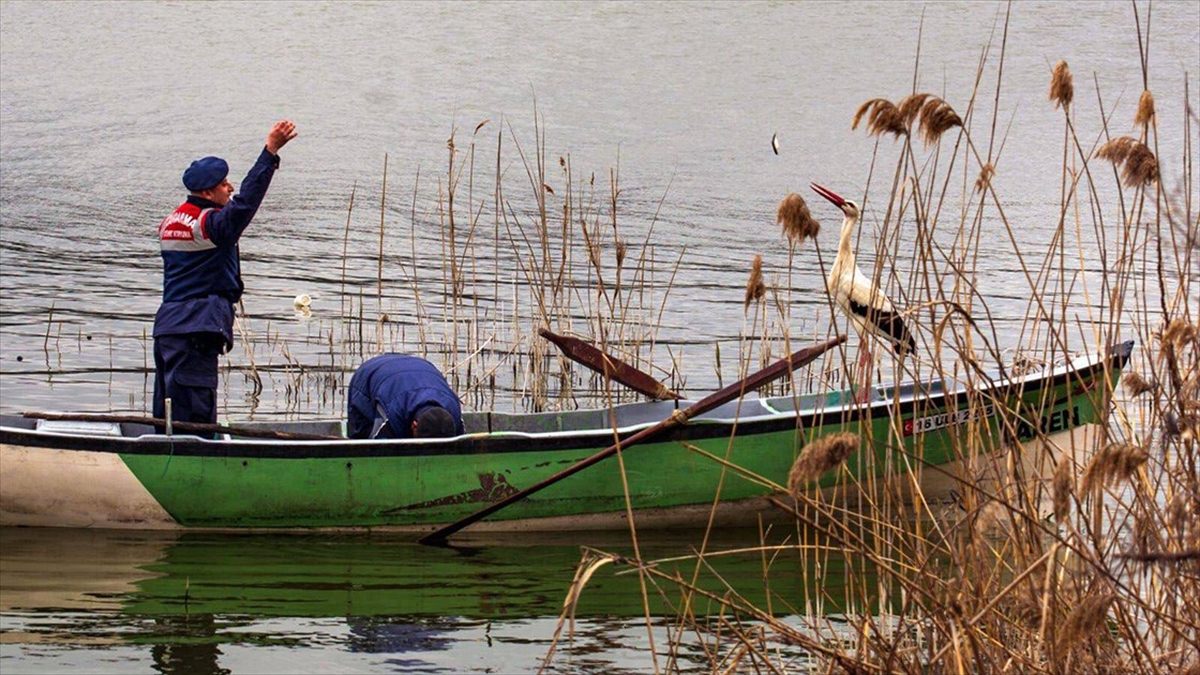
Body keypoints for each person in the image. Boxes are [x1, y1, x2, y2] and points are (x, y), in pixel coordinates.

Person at [152, 120, 298, 425]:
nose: (229, 188)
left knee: (167, 411)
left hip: (167, 328)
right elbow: (246, 202)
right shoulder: (209, 226)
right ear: (206, 191)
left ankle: (163, 460)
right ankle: (197, 464)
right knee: (195, 416)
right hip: (196, 328)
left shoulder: (170, 222)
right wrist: (269, 152)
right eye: (223, 185)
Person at [347, 354, 464, 439]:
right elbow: (378, 448)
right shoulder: (392, 412)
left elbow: (461, 447)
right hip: (368, 375)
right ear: (414, 425)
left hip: (417, 368)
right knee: (362, 437)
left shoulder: (454, 411)